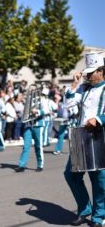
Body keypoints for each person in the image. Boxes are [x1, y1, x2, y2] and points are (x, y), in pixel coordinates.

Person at [63, 52, 105, 227]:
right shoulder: (84, 88)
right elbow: (69, 105)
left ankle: (99, 216)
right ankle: (84, 208)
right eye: (87, 72)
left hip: (100, 136)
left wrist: (99, 119)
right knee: (71, 175)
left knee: (99, 180)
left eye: (92, 72)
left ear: (102, 71)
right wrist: (74, 83)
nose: (88, 75)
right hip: (82, 137)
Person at [14, 86, 45, 173]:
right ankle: (22, 165)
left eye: (32, 89)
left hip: (38, 124)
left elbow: (46, 110)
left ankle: (40, 164)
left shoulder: (41, 98)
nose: (30, 90)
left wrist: (38, 112)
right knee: (26, 145)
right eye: (29, 89)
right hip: (28, 125)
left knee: (38, 146)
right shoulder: (26, 100)